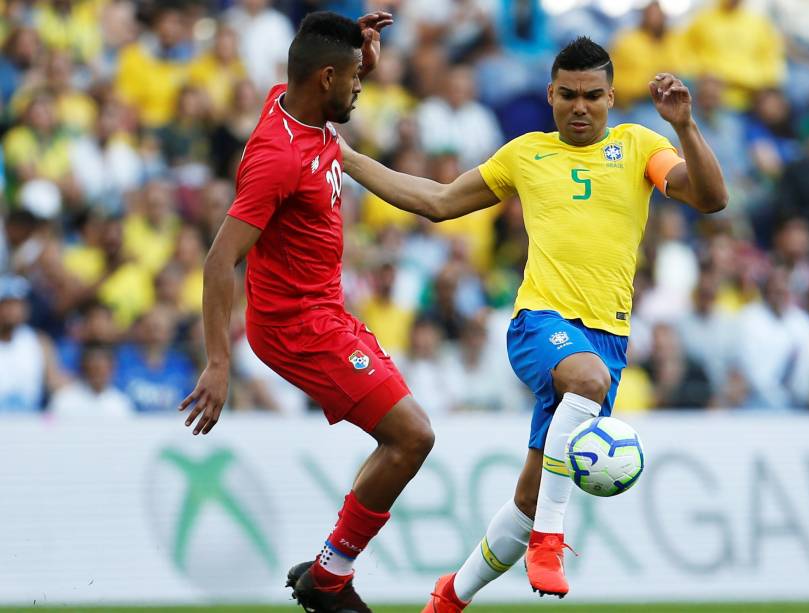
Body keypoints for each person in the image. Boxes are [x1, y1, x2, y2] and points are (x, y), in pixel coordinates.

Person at [341, 36, 727, 609]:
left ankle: (449, 597)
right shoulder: (526, 153)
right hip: (540, 324)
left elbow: (712, 199)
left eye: (592, 96)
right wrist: (345, 156)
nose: (580, 106)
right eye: (568, 94)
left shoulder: (640, 145)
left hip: (606, 342)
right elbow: (439, 200)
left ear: (610, 97)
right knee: (586, 388)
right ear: (549, 95)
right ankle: (551, 537)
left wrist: (687, 128)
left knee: (527, 497)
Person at [177, 12, 436, 613]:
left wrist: (360, 53)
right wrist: (218, 363)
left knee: (405, 438)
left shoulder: (296, 104)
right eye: (353, 80)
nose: (360, 87)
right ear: (324, 78)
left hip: (327, 311)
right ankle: (330, 576)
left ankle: (328, 570)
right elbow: (220, 260)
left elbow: (319, 70)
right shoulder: (277, 158)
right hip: (296, 327)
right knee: (412, 436)